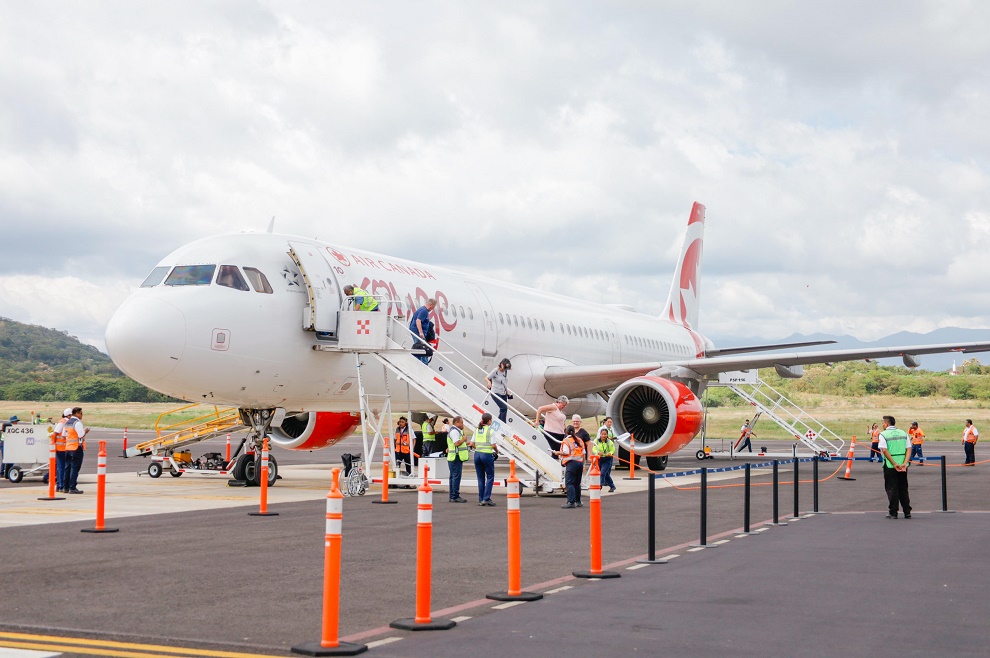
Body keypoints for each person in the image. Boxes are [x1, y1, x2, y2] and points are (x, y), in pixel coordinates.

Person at [878, 415, 911, 519]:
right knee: (903, 488)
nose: (882, 425)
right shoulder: (904, 433)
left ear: (886, 424)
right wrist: (905, 463)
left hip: (890, 465)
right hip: (903, 464)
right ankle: (907, 511)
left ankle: (893, 512)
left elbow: (884, 450)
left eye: (883, 423)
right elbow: (909, 449)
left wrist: (893, 463)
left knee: (892, 488)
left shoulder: (883, 434)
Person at [469, 413, 497, 506]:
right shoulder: (490, 430)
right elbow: (493, 445)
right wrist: (496, 451)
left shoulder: (477, 430)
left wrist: (479, 448)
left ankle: (481, 499)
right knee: (490, 476)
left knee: (480, 478)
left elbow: (472, 443)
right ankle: (486, 498)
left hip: (477, 455)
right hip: (487, 455)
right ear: (489, 421)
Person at [554, 425, 585, 508]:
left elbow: (565, 452)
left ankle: (571, 502)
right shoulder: (579, 440)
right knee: (577, 483)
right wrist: (583, 464)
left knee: (569, 483)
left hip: (571, 463)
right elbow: (583, 453)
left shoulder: (566, 441)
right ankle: (578, 501)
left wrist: (557, 453)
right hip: (580, 463)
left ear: (566, 432)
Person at [63, 407, 90, 494]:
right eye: (81, 413)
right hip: (76, 448)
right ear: (77, 413)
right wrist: (85, 431)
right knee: (75, 468)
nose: (82, 415)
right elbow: (81, 435)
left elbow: (64, 434)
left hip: (67, 448)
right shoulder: (77, 423)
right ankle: (72, 487)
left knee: (67, 468)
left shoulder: (67, 422)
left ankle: (65, 487)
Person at [446, 416, 469, 503]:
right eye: (461, 422)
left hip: (453, 456)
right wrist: (463, 440)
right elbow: (456, 443)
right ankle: (455, 495)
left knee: (453, 476)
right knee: (456, 476)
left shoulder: (454, 431)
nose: (463, 424)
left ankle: (452, 495)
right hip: (456, 457)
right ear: (456, 423)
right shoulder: (455, 432)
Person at [409, 298, 436, 364]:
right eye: (433, 307)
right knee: (422, 349)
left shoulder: (422, 309)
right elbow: (418, 321)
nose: (432, 309)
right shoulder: (424, 311)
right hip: (418, 333)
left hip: (417, 332)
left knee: (420, 349)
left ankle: (419, 362)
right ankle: (422, 364)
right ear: (431, 305)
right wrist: (421, 333)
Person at [485, 358, 512, 422]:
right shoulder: (495, 371)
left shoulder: (505, 371)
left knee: (503, 410)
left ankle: (499, 423)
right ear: (501, 365)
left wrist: (507, 392)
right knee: (504, 408)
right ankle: (503, 423)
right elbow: (486, 378)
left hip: (503, 393)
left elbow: (504, 382)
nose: (505, 370)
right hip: (495, 392)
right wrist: (489, 382)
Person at [592, 427, 616, 492]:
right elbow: (594, 449)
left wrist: (610, 453)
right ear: (600, 434)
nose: (603, 436)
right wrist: (598, 452)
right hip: (599, 459)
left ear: (607, 435)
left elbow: (613, 450)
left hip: (607, 459)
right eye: (602, 434)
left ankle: (600, 486)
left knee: (602, 473)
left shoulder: (609, 442)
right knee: (606, 474)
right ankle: (612, 486)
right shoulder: (596, 441)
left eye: (605, 434)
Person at [53, 409, 70, 492]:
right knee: (63, 468)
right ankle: (61, 485)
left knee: (60, 467)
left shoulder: (62, 421)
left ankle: (59, 485)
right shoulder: (65, 422)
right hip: (62, 449)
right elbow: (56, 433)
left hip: (61, 448)